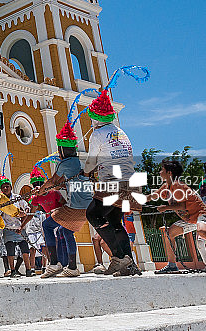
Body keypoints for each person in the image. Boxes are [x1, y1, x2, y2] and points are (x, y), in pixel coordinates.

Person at [82, 89, 142, 277]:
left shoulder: (98, 133)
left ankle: (118, 256)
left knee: (93, 214)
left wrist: (85, 172)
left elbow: (91, 161)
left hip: (112, 182)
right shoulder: (121, 132)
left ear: (96, 118)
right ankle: (130, 264)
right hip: (130, 183)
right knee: (115, 222)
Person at [32, 122, 93, 278]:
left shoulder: (65, 163)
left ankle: (54, 264)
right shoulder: (78, 163)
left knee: (47, 225)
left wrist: (41, 191)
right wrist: (46, 189)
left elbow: (53, 181)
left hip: (75, 208)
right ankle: (72, 267)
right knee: (64, 230)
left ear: (62, 150)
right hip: (87, 208)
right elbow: (61, 184)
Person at [0, 177, 32, 278]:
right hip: (8, 228)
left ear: (11, 187)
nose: (5, 188)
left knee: (25, 250)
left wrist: (25, 211)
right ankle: (12, 270)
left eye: (7, 186)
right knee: (10, 251)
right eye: (3, 187)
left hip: (20, 227)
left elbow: (26, 206)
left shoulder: (17, 198)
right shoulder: (0, 200)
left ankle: (28, 269)